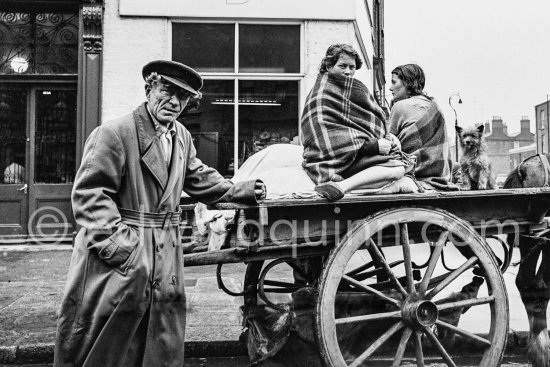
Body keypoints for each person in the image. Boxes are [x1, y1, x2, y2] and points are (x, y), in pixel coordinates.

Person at [54, 60, 265, 367]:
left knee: (159, 340)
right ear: (149, 89)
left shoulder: (181, 135)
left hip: (165, 253)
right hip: (122, 255)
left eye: (183, 97)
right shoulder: (114, 134)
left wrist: (243, 190)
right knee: (109, 344)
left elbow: (199, 177)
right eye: (167, 91)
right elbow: (89, 197)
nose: (175, 102)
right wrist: (126, 251)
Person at [301, 44, 412, 201]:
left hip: (352, 157)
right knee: (398, 169)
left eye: (352, 67)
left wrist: (387, 137)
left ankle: (341, 182)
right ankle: (340, 187)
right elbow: (328, 138)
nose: (348, 71)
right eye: (342, 66)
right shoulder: (321, 95)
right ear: (328, 65)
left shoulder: (349, 91)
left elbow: (362, 125)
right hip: (330, 161)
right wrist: (374, 146)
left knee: (399, 167)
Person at [388, 64, 456, 190]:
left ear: (407, 83)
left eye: (394, 82)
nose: (390, 88)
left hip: (410, 176)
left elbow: (389, 143)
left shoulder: (399, 106)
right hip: (440, 178)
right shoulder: (435, 107)